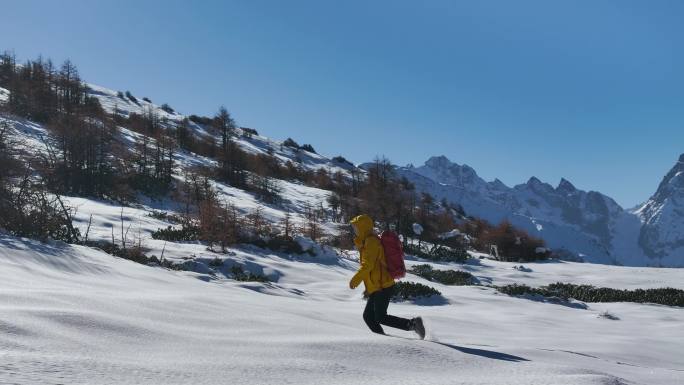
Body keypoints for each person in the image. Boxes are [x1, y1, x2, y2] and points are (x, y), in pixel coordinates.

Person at [348, 214, 426, 339]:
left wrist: (356, 280)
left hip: (383, 285)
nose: (354, 230)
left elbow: (368, 265)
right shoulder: (366, 242)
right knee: (368, 317)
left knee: (380, 317)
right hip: (377, 286)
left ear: (363, 228)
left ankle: (412, 324)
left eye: (356, 228)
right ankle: (382, 340)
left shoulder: (371, 242)